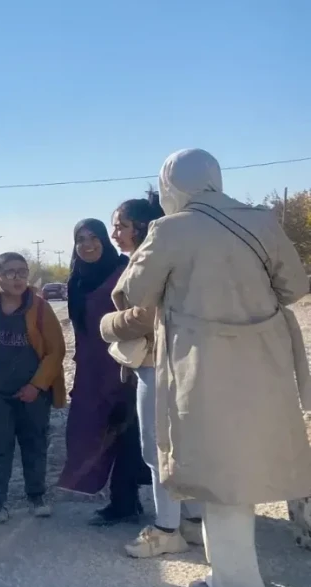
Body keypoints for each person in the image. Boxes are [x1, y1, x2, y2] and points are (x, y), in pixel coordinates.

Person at [116, 148, 311, 587]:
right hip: (265, 360)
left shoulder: (170, 229)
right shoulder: (262, 220)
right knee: (251, 459)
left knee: (219, 470)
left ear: (171, 185)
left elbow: (132, 293)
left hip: (202, 365)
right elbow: (295, 288)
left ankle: (235, 581)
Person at [100, 193, 204, 558]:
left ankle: (166, 528)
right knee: (174, 444)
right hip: (164, 362)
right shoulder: (160, 256)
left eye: (121, 225)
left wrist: (108, 325)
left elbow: (146, 315)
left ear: (142, 227)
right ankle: (191, 519)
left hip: (157, 364)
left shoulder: (150, 260)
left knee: (157, 448)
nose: (115, 233)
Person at [0, 252, 66, 524]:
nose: (18, 278)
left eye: (23, 272)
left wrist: (37, 385)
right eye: (11, 272)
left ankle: (37, 496)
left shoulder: (40, 308)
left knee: (35, 444)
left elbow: (55, 351)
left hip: (33, 393)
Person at [57, 218, 147, 526]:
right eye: (80, 238)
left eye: (93, 237)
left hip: (124, 365)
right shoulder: (76, 280)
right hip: (91, 368)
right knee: (92, 431)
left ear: (104, 241)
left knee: (125, 432)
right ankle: (116, 497)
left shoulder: (124, 270)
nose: (87, 244)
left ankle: (126, 500)